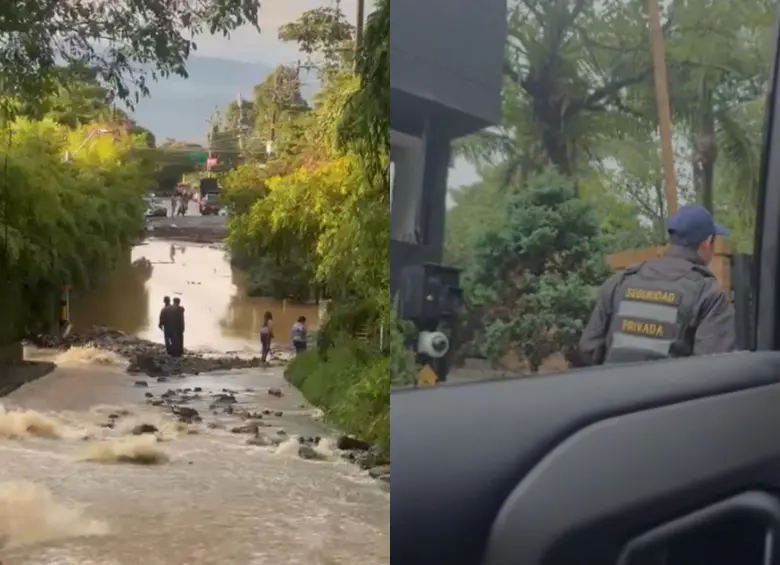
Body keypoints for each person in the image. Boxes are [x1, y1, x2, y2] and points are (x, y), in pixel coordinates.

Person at [578, 204, 737, 366]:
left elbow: (589, 348)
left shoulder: (620, 282)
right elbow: (713, 368)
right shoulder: (709, 294)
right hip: (671, 391)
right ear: (708, 242)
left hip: (614, 389)